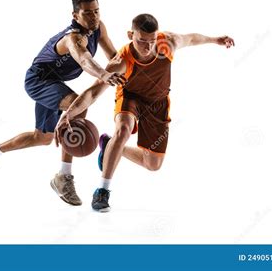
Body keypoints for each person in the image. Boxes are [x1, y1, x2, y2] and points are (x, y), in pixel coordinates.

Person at [55, 13, 235, 212]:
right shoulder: (121, 62)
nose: (148, 47)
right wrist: (69, 113)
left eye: (151, 41)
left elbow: (191, 38)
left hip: (158, 103)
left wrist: (214, 40)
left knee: (153, 164)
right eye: (141, 41)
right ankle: (102, 191)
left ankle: (111, 147)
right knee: (123, 130)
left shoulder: (167, 44)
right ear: (130, 35)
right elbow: (93, 92)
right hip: (130, 96)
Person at [0, 0, 125, 206]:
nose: (94, 17)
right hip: (39, 80)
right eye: (87, 13)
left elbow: (114, 57)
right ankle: (64, 177)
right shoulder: (72, 38)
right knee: (79, 107)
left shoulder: (99, 28)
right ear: (75, 15)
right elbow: (84, 60)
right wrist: (104, 75)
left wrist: (135, 67)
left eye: (96, 11)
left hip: (54, 83)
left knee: (43, 138)